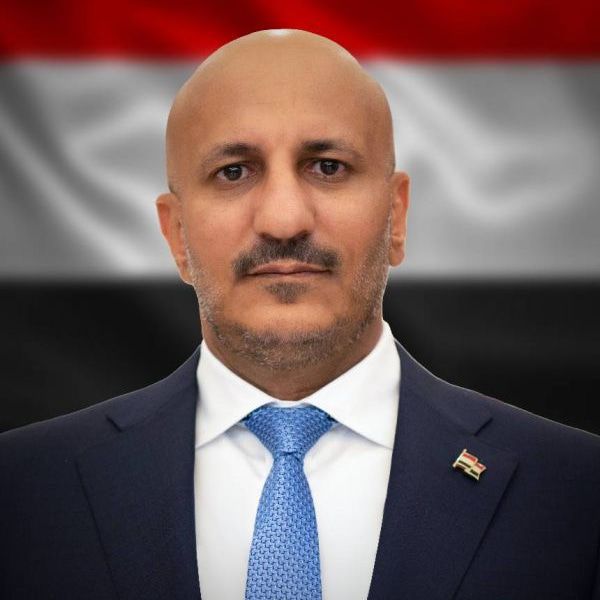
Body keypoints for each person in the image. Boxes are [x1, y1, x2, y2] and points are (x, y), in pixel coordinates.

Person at [1, 29, 599, 600]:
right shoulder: (21, 491)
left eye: (327, 166)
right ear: (176, 235)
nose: (284, 221)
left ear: (397, 217)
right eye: (234, 172)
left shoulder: (577, 491)